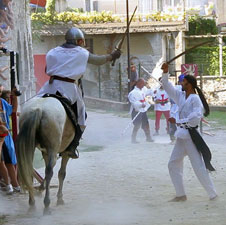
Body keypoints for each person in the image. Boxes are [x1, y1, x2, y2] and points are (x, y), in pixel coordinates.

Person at [37, 27, 121, 158]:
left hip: (50, 86)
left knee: (36, 103)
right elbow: (98, 60)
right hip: (68, 88)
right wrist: (113, 56)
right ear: (80, 41)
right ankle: (72, 146)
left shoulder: (52, 52)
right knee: (82, 116)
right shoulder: (81, 53)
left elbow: (47, 68)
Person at [161, 63, 217, 202]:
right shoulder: (180, 95)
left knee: (198, 167)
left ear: (190, 85)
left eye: (184, 82)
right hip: (181, 137)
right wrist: (165, 72)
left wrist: (179, 121)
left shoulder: (195, 99)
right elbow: (167, 86)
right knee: (173, 164)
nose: (181, 83)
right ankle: (181, 195)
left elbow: (195, 118)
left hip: (191, 137)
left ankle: (212, 194)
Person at [0, 85, 20, 193]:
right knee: (1, 162)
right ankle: (8, 185)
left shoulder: (2, 102)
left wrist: (15, 97)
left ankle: (15, 186)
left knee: (9, 162)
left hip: (5, 137)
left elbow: (13, 109)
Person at [128, 78, 154, 143]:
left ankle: (148, 137)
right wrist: (140, 105)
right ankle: (133, 139)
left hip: (143, 110)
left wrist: (153, 91)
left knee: (146, 124)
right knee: (137, 125)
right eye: (142, 83)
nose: (144, 85)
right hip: (136, 110)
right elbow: (133, 102)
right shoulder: (132, 93)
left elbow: (148, 91)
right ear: (138, 83)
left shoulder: (143, 89)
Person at [168, 74, 184, 142]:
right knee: (176, 122)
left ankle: (174, 138)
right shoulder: (178, 88)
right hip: (176, 106)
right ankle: (174, 138)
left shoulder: (175, 88)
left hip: (177, 106)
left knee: (177, 122)